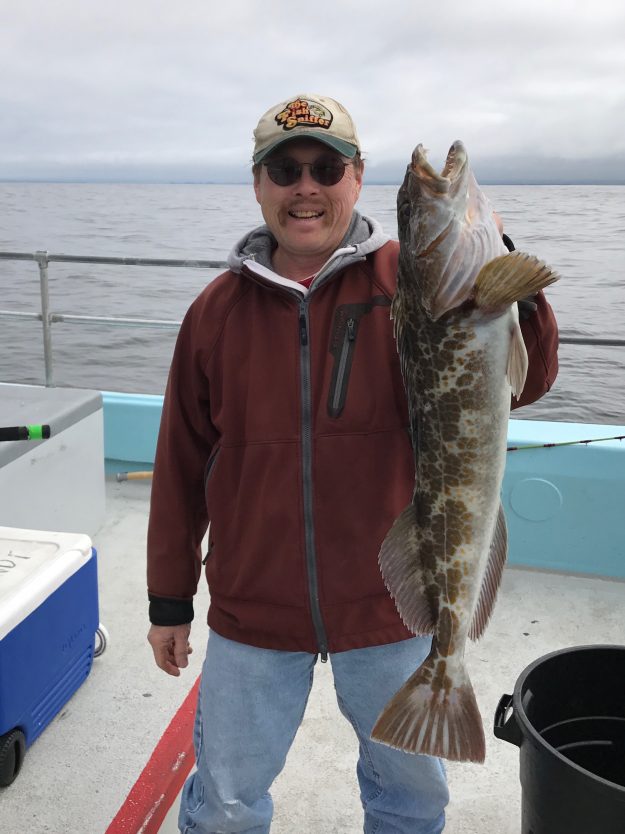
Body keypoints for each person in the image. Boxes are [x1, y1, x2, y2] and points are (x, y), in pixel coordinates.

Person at [146, 93, 559, 834]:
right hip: (252, 606)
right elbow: (180, 463)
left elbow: (528, 380)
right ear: (258, 183)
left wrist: (508, 281)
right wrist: (169, 603)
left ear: (357, 177)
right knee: (226, 802)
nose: (305, 187)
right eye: (285, 170)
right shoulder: (215, 311)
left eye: (326, 169)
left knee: (410, 798)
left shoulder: (410, 279)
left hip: (388, 605)